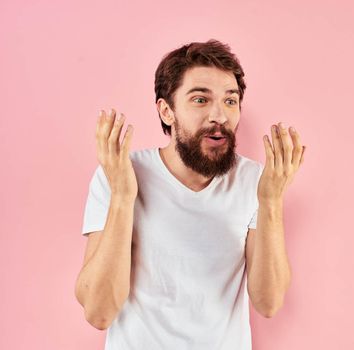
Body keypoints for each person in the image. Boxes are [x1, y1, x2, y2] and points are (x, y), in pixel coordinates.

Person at [74, 39, 306, 349]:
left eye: (230, 101)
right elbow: (99, 312)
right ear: (166, 111)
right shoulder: (118, 175)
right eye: (200, 100)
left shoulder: (256, 182)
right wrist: (122, 197)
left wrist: (271, 202)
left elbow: (269, 303)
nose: (219, 116)